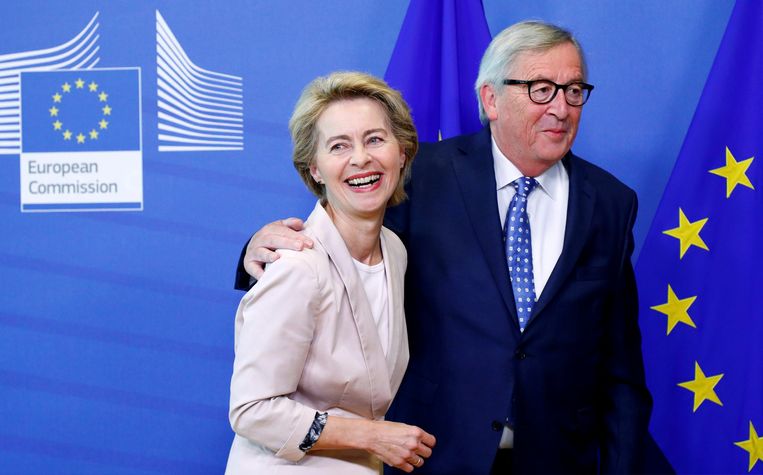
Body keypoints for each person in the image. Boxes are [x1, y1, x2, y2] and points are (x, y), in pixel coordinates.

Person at [236, 22, 657, 474]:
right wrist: (256, 254)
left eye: (573, 91)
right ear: (491, 99)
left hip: (556, 461)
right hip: (431, 456)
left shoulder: (610, 203)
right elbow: (343, 247)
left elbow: (620, 370)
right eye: (541, 90)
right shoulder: (418, 176)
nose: (561, 108)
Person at [225, 71, 435, 474]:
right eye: (339, 146)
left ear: (402, 153)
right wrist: (372, 436)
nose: (361, 158)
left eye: (375, 139)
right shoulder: (298, 265)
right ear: (315, 169)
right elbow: (251, 410)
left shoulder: (394, 250)